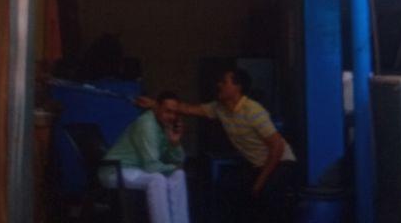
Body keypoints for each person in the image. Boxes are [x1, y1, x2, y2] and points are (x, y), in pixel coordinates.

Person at [138, 68, 298, 223]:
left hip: (280, 163)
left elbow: (278, 147)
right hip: (257, 166)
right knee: (227, 190)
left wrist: (259, 182)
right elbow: (188, 109)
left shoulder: (253, 111)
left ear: (237, 87)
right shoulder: (219, 108)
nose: (219, 84)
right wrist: (154, 104)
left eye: (224, 82)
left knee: (266, 196)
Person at [100, 90, 190, 223]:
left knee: (179, 175)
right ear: (157, 108)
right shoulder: (146, 124)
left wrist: (174, 143)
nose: (172, 116)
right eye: (168, 111)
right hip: (115, 170)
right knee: (157, 179)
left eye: (175, 113)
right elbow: (151, 166)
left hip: (138, 169)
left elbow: (176, 160)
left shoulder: (165, 127)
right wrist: (174, 167)